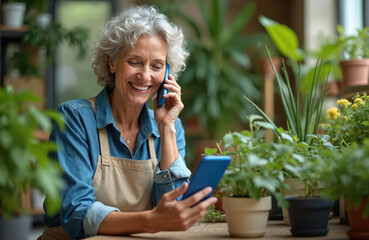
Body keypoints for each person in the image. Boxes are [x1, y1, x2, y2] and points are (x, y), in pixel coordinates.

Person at [38, 5, 217, 240]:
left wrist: (167, 128)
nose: (145, 76)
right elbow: (76, 213)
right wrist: (151, 221)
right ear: (112, 63)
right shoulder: (75, 119)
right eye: (134, 62)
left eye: (156, 66)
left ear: (167, 74)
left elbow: (176, 214)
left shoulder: (170, 128)